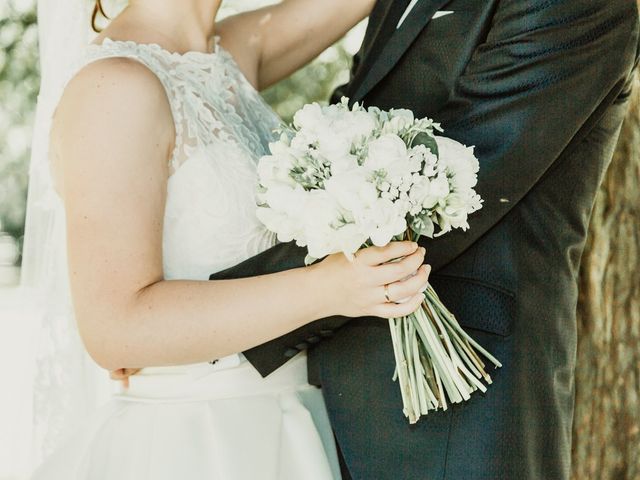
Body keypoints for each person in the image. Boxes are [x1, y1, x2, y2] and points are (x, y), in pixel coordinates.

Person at [206, 0, 640, 479]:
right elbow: (352, 128)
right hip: (327, 392)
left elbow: (463, 177)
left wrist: (206, 319)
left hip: (460, 398)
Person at [29, 0, 433, 478]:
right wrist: (329, 288)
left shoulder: (234, 49)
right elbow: (115, 328)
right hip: (196, 441)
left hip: (291, 423)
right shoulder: (112, 87)